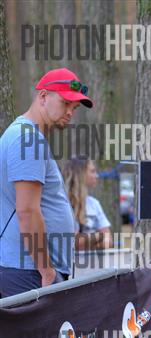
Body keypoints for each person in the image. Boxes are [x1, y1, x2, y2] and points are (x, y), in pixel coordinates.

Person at [0, 68, 93, 298]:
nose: (70, 112)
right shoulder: (28, 139)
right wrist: (47, 271)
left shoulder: (28, 135)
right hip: (27, 271)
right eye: (65, 103)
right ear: (43, 96)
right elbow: (27, 211)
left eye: (74, 108)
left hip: (26, 269)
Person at [61, 156, 112, 250]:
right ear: (80, 174)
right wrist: (97, 237)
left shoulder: (94, 204)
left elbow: (108, 241)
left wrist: (87, 242)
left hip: (92, 258)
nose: (97, 175)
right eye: (92, 171)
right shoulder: (62, 203)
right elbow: (70, 243)